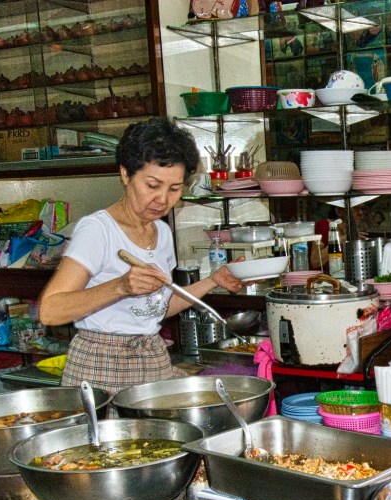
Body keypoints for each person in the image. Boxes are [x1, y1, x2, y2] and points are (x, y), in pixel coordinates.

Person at [39, 117, 245, 393]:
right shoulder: (99, 230)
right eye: (152, 185)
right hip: (101, 366)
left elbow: (157, 305)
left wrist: (212, 281)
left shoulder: (161, 232)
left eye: (174, 189)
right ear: (125, 174)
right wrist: (121, 286)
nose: (163, 199)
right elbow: (50, 311)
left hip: (151, 359)